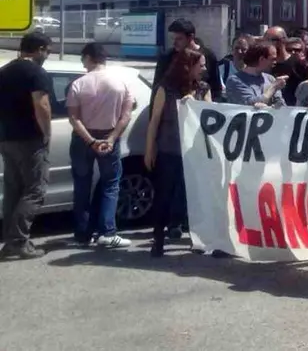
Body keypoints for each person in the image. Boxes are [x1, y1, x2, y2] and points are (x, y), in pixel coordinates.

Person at [66, 42, 135, 249]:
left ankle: (82, 234)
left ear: (88, 57)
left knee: (81, 185)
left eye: (82, 58)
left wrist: (90, 141)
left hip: (82, 138)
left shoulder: (78, 84)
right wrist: (111, 139)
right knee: (110, 184)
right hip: (108, 137)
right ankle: (107, 232)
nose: (82, 63)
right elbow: (126, 116)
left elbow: (73, 118)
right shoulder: (121, 83)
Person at [144, 49, 211, 257]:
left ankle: (198, 239)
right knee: (164, 194)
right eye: (200, 65)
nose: (205, 69)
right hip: (169, 149)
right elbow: (154, 121)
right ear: (188, 66)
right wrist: (149, 149)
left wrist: (195, 102)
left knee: (196, 196)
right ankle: (158, 238)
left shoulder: (203, 88)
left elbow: (211, 116)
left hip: (194, 151)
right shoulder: (166, 89)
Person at [0, 33, 53, 259]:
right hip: (29, 139)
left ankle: (10, 240)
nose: (48, 55)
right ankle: (18, 241)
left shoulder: (5, 71)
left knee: (13, 190)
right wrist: (47, 134)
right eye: (48, 51)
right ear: (39, 49)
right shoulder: (35, 72)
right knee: (35, 190)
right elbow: (41, 105)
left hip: (6, 138)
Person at [153, 19, 222, 101]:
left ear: (191, 37)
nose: (174, 43)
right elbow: (156, 88)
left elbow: (216, 90)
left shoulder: (209, 56)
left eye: (179, 39)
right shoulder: (166, 57)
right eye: (173, 39)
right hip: (172, 108)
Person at [225, 41, 287, 108]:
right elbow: (250, 104)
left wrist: (277, 105)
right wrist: (273, 87)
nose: (275, 62)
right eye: (272, 59)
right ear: (262, 59)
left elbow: (281, 105)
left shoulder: (270, 79)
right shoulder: (235, 80)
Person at [265, 26, 308, 106]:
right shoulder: (264, 65)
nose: (266, 44)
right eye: (265, 40)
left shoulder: (300, 65)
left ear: (283, 41)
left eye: (270, 40)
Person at [218, 33, 252, 102]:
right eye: (237, 48)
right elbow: (221, 92)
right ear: (232, 49)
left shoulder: (253, 71)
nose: (239, 52)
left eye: (243, 49)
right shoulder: (222, 69)